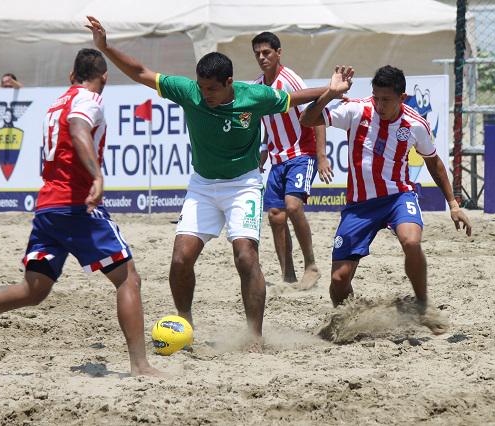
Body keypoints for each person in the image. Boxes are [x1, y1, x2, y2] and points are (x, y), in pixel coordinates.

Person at [86, 16, 348, 350]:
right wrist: (105, 46)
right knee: (181, 258)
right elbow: (140, 72)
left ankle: (254, 335)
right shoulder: (189, 92)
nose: (205, 94)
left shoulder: (254, 96)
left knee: (245, 256)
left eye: (212, 88)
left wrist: (331, 90)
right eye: (201, 86)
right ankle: (185, 323)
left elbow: (297, 98)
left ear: (228, 82)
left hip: (243, 186)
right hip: (202, 187)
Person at [0, 49, 161, 376]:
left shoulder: (56, 103)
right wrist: (97, 175)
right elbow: (79, 129)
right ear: (105, 78)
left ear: (72, 76)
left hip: (48, 207)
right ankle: (141, 366)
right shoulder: (89, 101)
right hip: (77, 205)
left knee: (33, 290)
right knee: (128, 279)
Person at [300, 65, 472, 334]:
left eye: (386, 99)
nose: (379, 105)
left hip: (398, 197)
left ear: (402, 98)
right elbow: (307, 119)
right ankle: (349, 319)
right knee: (338, 279)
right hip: (359, 206)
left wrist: (453, 204)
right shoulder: (357, 110)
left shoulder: (415, 123)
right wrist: (330, 93)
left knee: (411, 241)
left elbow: (434, 162)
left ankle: (422, 303)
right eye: (376, 97)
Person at [251, 32, 323, 290]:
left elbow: (316, 113)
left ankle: (311, 265)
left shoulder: (290, 80)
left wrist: (322, 156)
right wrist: (262, 151)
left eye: (267, 52)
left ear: (278, 53)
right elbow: (267, 124)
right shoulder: (257, 86)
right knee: (275, 216)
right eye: (258, 53)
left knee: (293, 207)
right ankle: (288, 275)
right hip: (277, 157)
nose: (262, 57)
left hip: (302, 153)